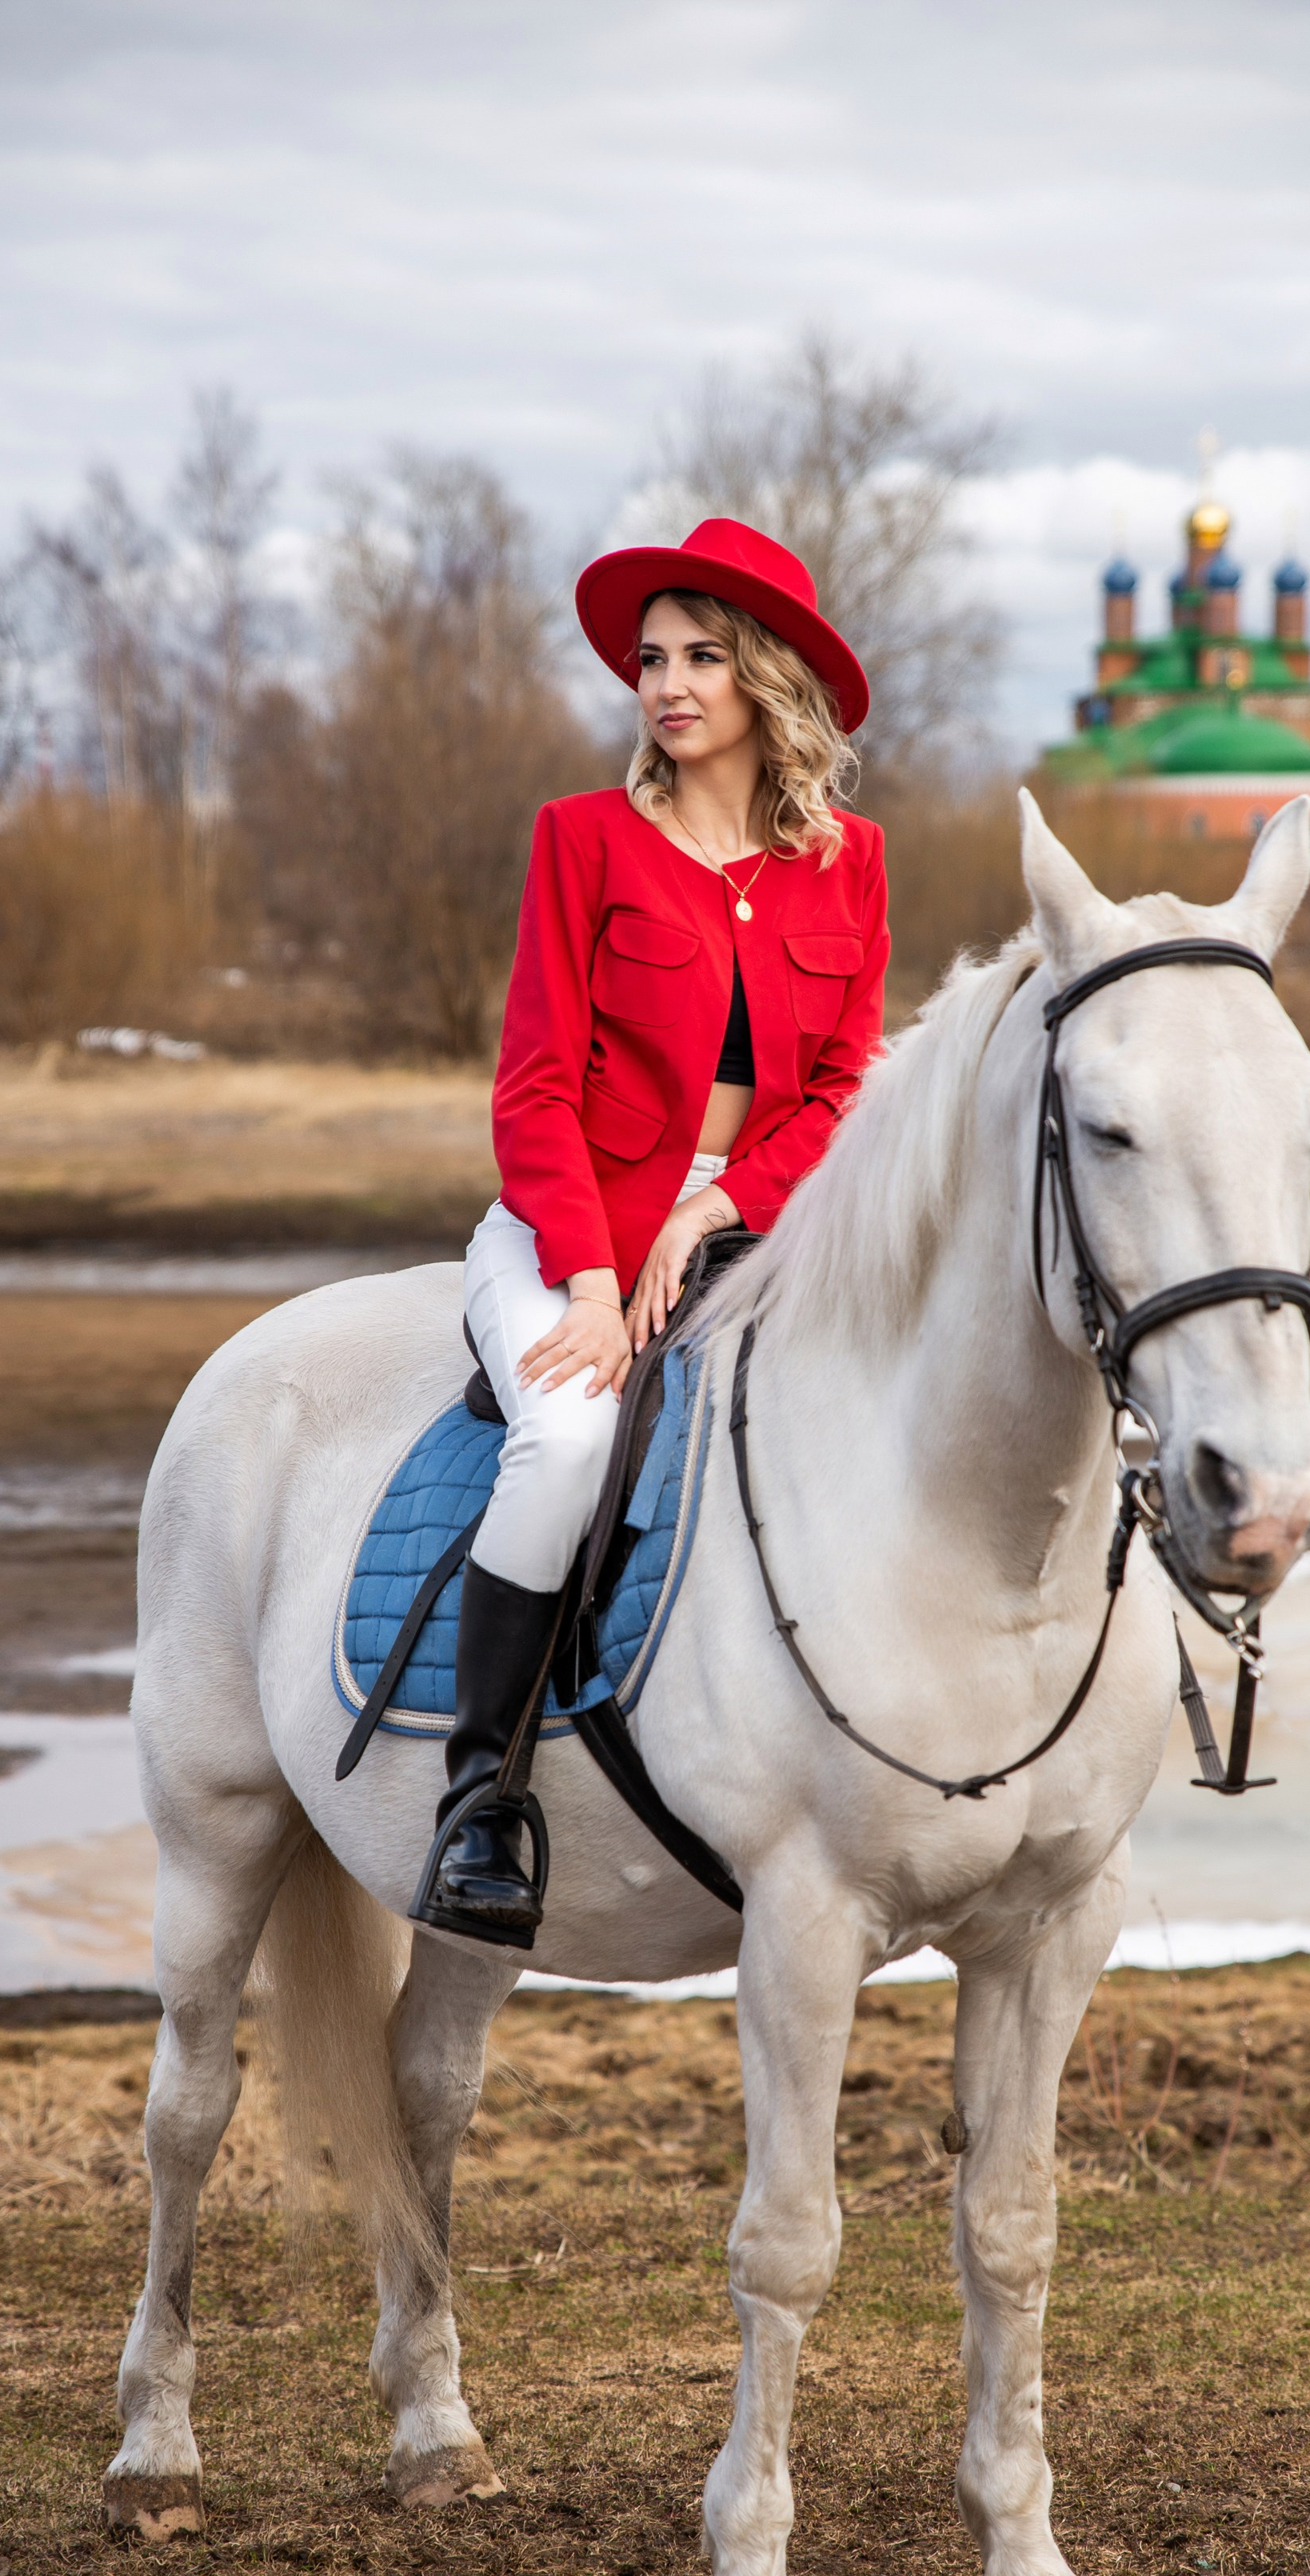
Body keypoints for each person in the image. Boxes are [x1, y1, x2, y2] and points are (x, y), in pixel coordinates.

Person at [423, 518, 889, 1940]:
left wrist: (714, 1203)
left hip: (754, 1228)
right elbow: (535, 1085)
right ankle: (480, 1798)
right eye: (650, 660)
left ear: (767, 678)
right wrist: (585, 1276)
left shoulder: (850, 863)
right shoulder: (583, 840)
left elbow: (839, 1089)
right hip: (563, 1231)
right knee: (568, 1437)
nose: (667, 684)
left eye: (700, 657)